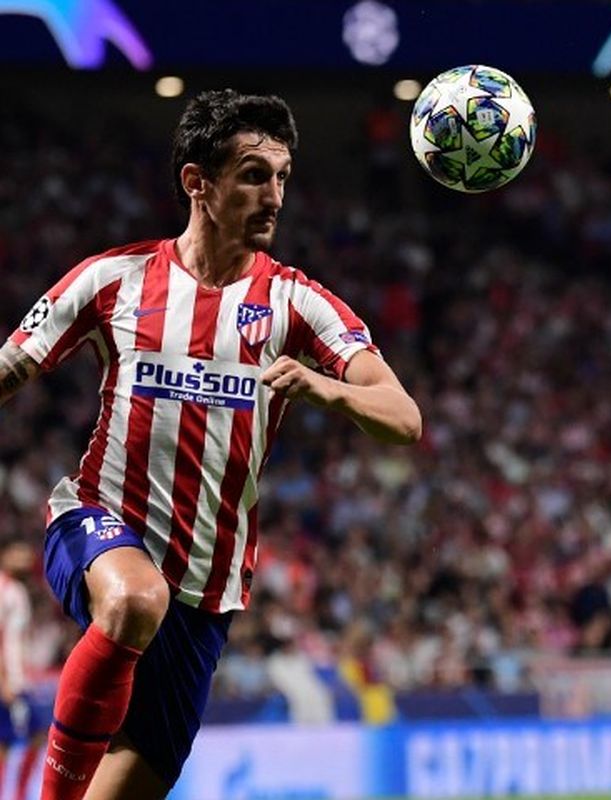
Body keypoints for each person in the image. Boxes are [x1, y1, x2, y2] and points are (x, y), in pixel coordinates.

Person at [0, 89, 422, 800]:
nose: (274, 196)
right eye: (254, 175)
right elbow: (12, 367)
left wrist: (328, 391)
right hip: (98, 523)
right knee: (135, 600)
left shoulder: (297, 303)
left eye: (282, 177)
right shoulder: (114, 280)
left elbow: (403, 417)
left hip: (206, 589)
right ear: (198, 182)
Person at [0, 542, 42, 800]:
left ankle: (17, 792)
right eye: (19, 554)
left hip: (17, 680)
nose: (26, 559)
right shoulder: (4, 590)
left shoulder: (16, 590)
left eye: (29, 556)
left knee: (28, 736)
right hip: (7, 682)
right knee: (24, 736)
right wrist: (4, 680)